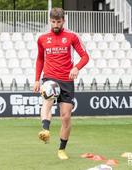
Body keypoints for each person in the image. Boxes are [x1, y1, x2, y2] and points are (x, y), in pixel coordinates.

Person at [33, 7, 89, 160]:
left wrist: (76, 68)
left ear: (63, 21)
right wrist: (37, 79)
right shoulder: (42, 39)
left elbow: (85, 56)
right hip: (49, 76)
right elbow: (40, 59)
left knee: (65, 117)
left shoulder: (72, 37)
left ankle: (62, 149)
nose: (55, 25)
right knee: (48, 100)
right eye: (53, 22)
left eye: (58, 22)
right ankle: (45, 130)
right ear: (50, 21)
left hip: (67, 80)